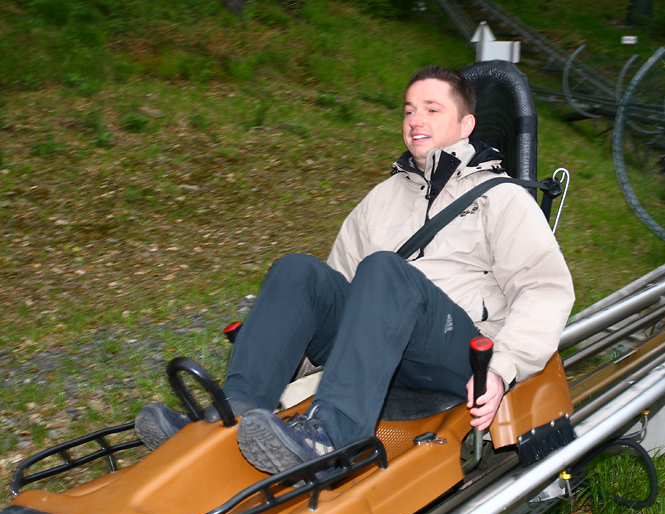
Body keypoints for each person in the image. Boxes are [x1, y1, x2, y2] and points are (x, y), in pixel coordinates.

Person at [135, 65, 574, 475]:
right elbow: (338, 291)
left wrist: (500, 368)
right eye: (409, 110)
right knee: (299, 271)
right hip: (381, 345)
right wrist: (285, 355)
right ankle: (230, 415)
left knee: (384, 270)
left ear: (466, 125)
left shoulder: (502, 198)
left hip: (455, 350)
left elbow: (545, 289)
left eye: (432, 109)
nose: (415, 120)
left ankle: (331, 437)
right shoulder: (382, 198)